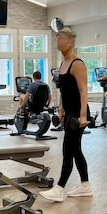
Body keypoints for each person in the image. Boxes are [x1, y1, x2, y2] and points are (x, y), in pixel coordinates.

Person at [39, 27, 92, 202]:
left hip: (78, 114)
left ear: (68, 42)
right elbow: (64, 92)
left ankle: (60, 189)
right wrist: (60, 111)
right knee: (75, 150)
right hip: (68, 112)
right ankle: (85, 186)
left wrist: (83, 116)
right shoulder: (63, 64)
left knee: (67, 150)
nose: (57, 42)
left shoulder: (77, 64)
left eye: (59, 39)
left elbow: (84, 92)